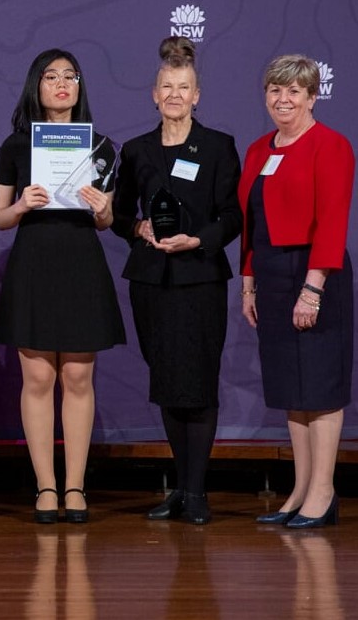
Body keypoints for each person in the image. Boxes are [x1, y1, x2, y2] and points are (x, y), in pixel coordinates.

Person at [0, 48, 124, 524]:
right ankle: (46, 486)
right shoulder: (15, 146)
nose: (62, 84)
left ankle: (75, 486)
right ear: (37, 86)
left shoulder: (102, 147)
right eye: (51, 77)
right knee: (39, 378)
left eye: (71, 76)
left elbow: (107, 221)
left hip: (81, 263)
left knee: (78, 377)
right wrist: (23, 203)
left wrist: (101, 208)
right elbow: (0, 219)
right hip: (34, 263)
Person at [111, 37, 242, 525]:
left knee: (198, 383)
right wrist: (137, 227)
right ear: (154, 93)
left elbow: (231, 216)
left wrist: (199, 240)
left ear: (197, 94)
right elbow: (122, 214)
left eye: (183, 87)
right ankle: (181, 490)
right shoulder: (137, 150)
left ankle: (198, 492)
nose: (174, 94)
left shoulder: (217, 146)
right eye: (167, 86)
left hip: (200, 278)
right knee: (167, 383)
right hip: (151, 281)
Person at [239, 54, 355, 529]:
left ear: (312, 96)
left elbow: (332, 221)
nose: (282, 99)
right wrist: (248, 281)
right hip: (268, 273)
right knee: (293, 387)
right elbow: (253, 223)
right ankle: (301, 489)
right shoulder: (257, 150)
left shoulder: (331, 145)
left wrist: (313, 288)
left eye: (293, 91)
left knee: (321, 386)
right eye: (274, 90)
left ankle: (323, 492)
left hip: (313, 272)